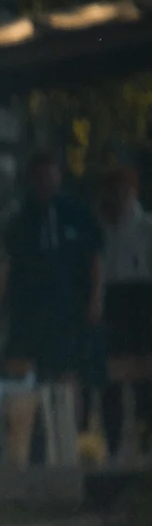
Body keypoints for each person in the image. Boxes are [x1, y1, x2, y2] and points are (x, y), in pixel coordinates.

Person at [0, 150, 105, 466]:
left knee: (70, 376)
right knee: (35, 378)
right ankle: (37, 448)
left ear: (59, 176)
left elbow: (95, 260)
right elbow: (10, 267)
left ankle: (72, 442)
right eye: (39, 176)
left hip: (69, 309)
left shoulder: (76, 213)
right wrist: (3, 308)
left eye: (50, 174)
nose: (45, 182)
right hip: (33, 313)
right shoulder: (22, 220)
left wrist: (95, 298)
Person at [97, 165, 152, 459]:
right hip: (112, 306)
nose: (118, 197)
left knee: (144, 380)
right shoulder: (100, 229)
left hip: (141, 306)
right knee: (111, 381)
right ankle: (113, 444)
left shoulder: (146, 229)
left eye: (124, 191)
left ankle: (145, 442)